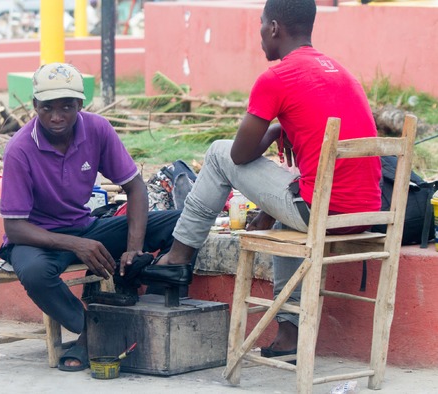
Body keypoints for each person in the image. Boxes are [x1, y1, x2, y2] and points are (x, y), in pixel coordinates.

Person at [154, 0, 381, 359]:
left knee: (215, 151)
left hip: (321, 212)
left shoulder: (277, 77)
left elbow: (238, 157)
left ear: (274, 27)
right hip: (367, 215)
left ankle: (178, 257)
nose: (260, 33)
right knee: (280, 232)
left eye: (261, 25)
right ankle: (289, 337)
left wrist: (275, 129)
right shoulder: (341, 71)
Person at [0, 62, 181, 372]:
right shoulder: (19, 150)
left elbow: (135, 187)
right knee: (35, 273)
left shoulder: (96, 129)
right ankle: (91, 330)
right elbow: (14, 228)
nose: (57, 117)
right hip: (36, 238)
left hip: (85, 227)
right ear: (34, 106)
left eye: (66, 107)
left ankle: (144, 293)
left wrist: (134, 247)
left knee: (179, 221)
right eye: (47, 108)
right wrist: (74, 245)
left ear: (80, 105)